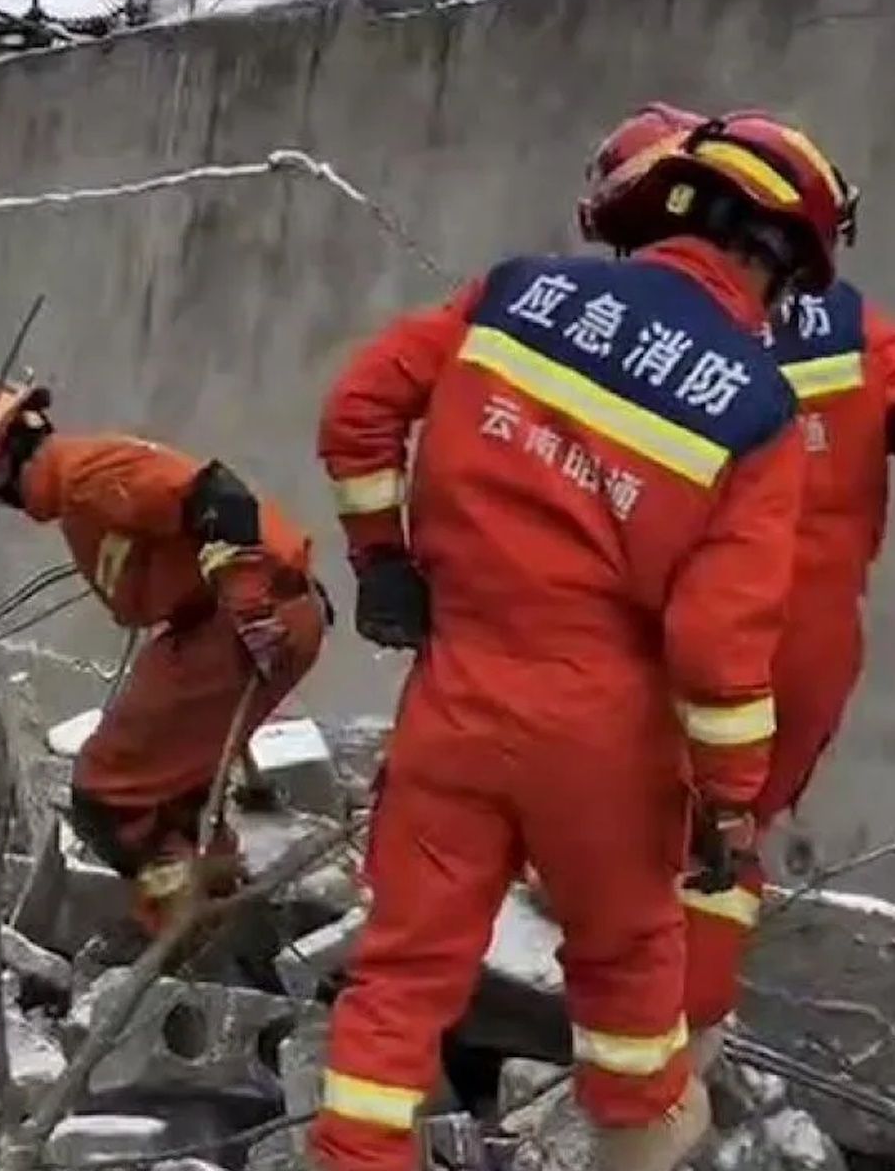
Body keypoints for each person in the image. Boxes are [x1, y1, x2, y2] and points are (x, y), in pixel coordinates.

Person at [311, 111, 849, 1171]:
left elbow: (359, 408)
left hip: (454, 704)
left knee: (401, 981)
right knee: (630, 994)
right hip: (605, 751)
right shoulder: (754, 410)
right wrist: (727, 801)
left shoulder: (515, 294)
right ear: (778, 261)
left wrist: (383, 559)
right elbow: (713, 646)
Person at [581, 105, 895, 1068]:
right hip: (805, 653)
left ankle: (597, 1052)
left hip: (674, 633)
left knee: (618, 833)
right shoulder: (859, 332)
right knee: (726, 845)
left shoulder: (640, 328)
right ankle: (685, 1052)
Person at [0, 381, 327, 935]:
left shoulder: (86, 474)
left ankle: (187, 931)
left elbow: (217, 496)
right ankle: (230, 923)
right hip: (247, 617)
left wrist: (249, 603)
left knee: (106, 797)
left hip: (240, 620)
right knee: (175, 797)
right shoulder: (77, 486)